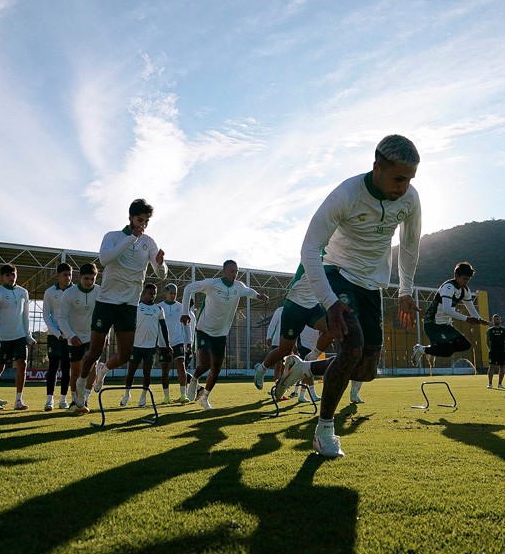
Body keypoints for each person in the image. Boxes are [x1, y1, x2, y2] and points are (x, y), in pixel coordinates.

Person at [279, 134, 423, 457]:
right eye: (398, 179)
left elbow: (410, 245)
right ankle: (324, 431)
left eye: (410, 180)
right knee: (352, 346)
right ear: (377, 167)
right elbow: (309, 249)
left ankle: (304, 369)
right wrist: (330, 302)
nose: (404, 187)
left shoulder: (410, 199)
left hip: (371, 285)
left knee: (365, 369)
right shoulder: (346, 195)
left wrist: (405, 290)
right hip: (338, 273)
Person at [80, 199, 168, 398]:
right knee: (94, 352)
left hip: (129, 305)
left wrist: (161, 264)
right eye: (139, 220)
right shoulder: (112, 236)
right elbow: (104, 259)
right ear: (130, 218)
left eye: (146, 221)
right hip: (106, 302)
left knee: (125, 355)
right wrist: (131, 238)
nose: (143, 225)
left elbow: (161, 273)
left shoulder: (149, 242)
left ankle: (102, 370)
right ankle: (81, 392)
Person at [181, 259, 269, 409]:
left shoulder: (238, 287)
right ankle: (194, 380)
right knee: (205, 364)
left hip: (221, 334)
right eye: (231, 271)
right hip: (204, 330)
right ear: (223, 271)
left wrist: (259, 296)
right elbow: (188, 288)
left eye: (236, 271)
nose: (234, 274)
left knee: (216, 368)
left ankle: (205, 398)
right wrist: (184, 312)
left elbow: (248, 291)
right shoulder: (212, 284)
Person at [256, 265, 333, 397]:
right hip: (295, 305)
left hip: (312, 306)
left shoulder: (338, 261)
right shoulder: (316, 256)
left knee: (332, 328)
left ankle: (310, 358)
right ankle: (261, 370)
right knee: (284, 351)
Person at [412, 262, 489, 368]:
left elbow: (471, 307)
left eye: (468, 279)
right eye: (464, 279)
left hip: (445, 325)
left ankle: (433, 349)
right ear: (457, 276)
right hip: (432, 323)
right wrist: (467, 319)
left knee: (465, 345)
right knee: (447, 351)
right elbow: (447, 310)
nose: (466, 282)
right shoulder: (448, 287)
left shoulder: (465, 290)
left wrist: (479, 319)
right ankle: (420, 349)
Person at [0, 264, 35, 410]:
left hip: (20, 336)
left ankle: (18, 401)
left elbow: (26, 316)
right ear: (3, 277)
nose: (11, 277)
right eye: (8, 275)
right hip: (3, 338)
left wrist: (28, 336)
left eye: (13, 274)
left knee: (22, 364)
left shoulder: (23, 292)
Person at [57, 263, 101, 414]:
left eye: (92, 279)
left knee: (92, 366)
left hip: (93, 336)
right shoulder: (69, 293)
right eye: (86, 278)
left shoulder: (99, 291)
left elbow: (105, 315)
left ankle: (84, 399)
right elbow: (61, 318)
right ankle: (75, 401)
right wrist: (71, 335)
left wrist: (105, 335)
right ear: (79, 277)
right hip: (74, 337)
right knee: (76, 370)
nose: (89, 282)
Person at [121, 283, 171, 407]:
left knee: (147, 373)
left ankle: (143, 397)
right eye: (150, 293)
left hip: (150, 347)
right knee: (131, 371)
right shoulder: (137, 307)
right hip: (136, 346)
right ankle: (126, 394)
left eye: (154, 294)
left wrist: (168, 344)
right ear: (143, 294)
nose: (152, 296)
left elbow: (164, 328)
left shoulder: (159, 309)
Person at [42, 262, 73, 411]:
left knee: (67, 367)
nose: (68, 278)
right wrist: (57, 333)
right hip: (54, 336)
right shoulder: (49, 292)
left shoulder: (75, 290)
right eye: (65, 275)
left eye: (70, 275)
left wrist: (69, 333)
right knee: (53, 366)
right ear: (58, 276)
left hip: (70, 336)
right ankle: (49, 400)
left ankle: (63, 399)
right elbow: (46, 315)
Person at [156, 283, 191, 403]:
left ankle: (183, 395)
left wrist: (189, 342)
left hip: (178, 341)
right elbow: (156, 326)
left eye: (175, 294)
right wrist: (156, 343)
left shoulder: (181, 307)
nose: (173, 296)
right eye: (171, 293)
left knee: (181, 366)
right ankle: (166, 397)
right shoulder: (159, 307)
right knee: (165, 369)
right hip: (163, 343)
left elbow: (186, 326)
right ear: (166, 293)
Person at [486, 314, 505, 388]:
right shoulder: (490, 330)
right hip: (493, 351)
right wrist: (490, 348)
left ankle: (500, 383)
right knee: (491, 366)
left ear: (500, 320)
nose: (496, 320)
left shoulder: (504, 330)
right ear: (493, 321)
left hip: (501, 351)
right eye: (494, 319)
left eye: (497, 319)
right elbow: (487, 341)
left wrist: (504, 347)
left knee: (502, 366)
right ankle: (490, 383)